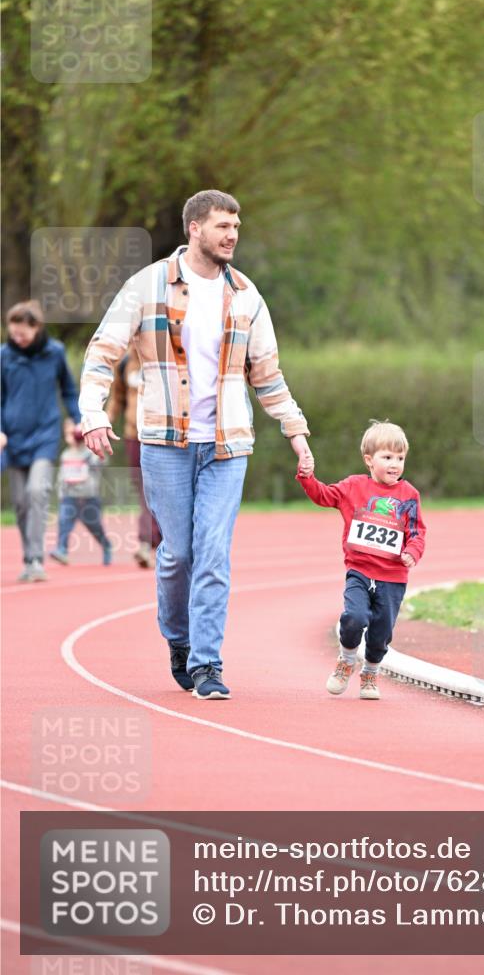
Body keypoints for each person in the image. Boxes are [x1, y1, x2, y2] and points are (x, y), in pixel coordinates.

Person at [79, 189, 313, 699]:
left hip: (228, 446)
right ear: (194, 228)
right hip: (166, 442)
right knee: (177, 555)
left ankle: (208, 665)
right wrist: (93, 413)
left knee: (212, 555)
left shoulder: (247, 295)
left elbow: (267, 375)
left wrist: (295, 429)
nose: (232, 235)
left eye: (237, 226)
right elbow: (102, 353)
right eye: (222, 226)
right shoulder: (146, 287)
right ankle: (179, 641)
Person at [297, 420, 426, 700]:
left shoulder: (409, 496)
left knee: (381, 633)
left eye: (400, 458)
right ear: (369, 460)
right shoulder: (353, 486)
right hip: (359, 571)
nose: (395, 464)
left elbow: (417, 532)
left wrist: (412, 552)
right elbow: (323, 495)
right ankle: (346, 659)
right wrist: (307, 477)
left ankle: (370, 671)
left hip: (392, 578)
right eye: (387, 457)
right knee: (354, 618)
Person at [1, 300, 81, 582]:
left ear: (36, 328)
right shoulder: (4, 356)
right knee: (21, 503)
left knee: (37, 491)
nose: (17, 339)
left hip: (45, 437)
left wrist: (78, 418)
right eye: (14, 334)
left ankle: (36, 559)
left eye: (22, 334)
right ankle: (29, 557)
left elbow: (69, 391)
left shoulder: (55, 353)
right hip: (12, 439)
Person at [106, 346, 161, 568]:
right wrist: (105, 421)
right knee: (144, 492)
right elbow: (117, 398)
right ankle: (147, 543)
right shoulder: (125, 362)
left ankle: (161, 542)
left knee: (163, 491)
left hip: (162, 436)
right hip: (134, 436)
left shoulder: (163, 354)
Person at [49, 422, 112, 566]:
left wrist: (97, 443)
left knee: (95, 527)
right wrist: (61, 494)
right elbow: (62, 476)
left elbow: (103, 461)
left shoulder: (90, 452)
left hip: (88, 498)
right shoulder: (66, 454)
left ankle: (106, 546)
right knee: (64, 523)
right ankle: (62, 550)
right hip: (69, 497)